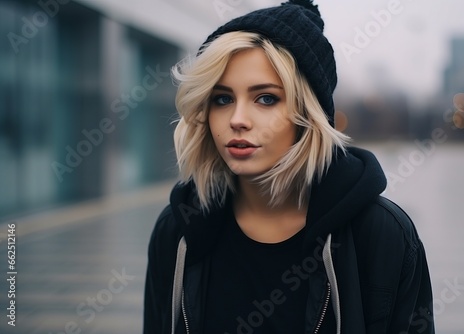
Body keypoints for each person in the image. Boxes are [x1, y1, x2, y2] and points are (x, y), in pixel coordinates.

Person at [143, 1, 435, 333]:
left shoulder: (381, 235)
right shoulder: (179, 230)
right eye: (222, 99)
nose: (237, 120)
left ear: (308, 115)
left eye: (266, 98)